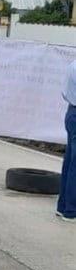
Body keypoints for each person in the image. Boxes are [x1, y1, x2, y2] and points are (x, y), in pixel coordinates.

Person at [57, 59, 76, 221]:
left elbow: (65, 93)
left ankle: (63, 206)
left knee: (70, 161)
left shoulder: (72, 65)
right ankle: (71, 210)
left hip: (72, 111)